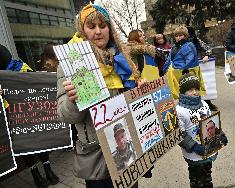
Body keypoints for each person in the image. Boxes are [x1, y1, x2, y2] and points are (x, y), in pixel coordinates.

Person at [57, 2, 144, 188]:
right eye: (92, 26)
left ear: (109, 29)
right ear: (82, 30)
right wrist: (73, 101)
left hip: (126, 149)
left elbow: (132, 103)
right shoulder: (70, 64)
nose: (98, 31)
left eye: (103, 26)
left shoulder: (123, 58)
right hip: (97, 156)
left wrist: (141, 91)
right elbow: (65, 115)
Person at [0, 44, 59, 187]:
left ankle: (41, 173)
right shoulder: (21, 66)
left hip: (20, 114)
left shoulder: (18, 68)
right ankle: (43, 172)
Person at [176, 73, 228, 188]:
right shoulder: (179, 111)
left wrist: (221, 135)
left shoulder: (204, 103)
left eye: (196, 89)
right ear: (183, 92)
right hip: (194, 153)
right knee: (196, 179)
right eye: (190, 90)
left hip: (209, 148)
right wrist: (194, 146)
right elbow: (179, 134)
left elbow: (212, 122)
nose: (194, 92)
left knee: (207, 177)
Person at [162, 26, 206, 99]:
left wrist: (173, 68)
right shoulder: (174, 47)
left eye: (180, 35)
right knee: (180, 96)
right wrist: (164, 70)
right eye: (176, 36)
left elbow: (189, 62)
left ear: (185, 36)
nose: (178, 37)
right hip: (175, 75)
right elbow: (169, 60)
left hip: (186, 75)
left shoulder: (189, 45)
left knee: (189, 95)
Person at [187, 26, 218, 111]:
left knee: (204, 84)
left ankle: (207, 103)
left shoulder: (197, 41)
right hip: (188, 67)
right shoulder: (181, 44)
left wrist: (206, 56)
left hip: (200, 66)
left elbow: (208, 49)